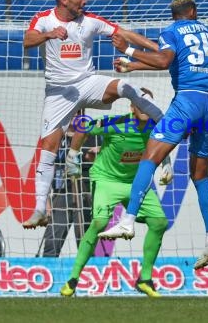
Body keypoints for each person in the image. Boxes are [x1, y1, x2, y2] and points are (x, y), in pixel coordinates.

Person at [21, 0, 164, 229]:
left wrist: (158, 50)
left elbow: (124, 33)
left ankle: (162, 120)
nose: (85, 1)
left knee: (124, 87)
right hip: (59, 92)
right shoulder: (44, 19)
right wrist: (48, 35)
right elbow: (27, 40)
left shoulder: (90, 21)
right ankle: (39, 209)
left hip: (88, 82)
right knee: (48, 147)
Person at [105, 0, 208, 270]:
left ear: (175, 14)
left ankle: (127, 221)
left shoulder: (172, 31)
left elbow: (162, 60)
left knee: (149, 159)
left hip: (187, 103)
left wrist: (130, 51)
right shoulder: (204, 31)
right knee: (200, 175)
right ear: (193, 11)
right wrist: (133, 66)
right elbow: (173, 62)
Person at [60, 90, 169, 297]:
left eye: (149, 105)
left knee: (159, 223)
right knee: (99, 223)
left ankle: (145, 279)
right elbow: (83, 127)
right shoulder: (116, 122)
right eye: (141, 105)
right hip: (107, 180)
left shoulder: (158, 125)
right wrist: (72, 157)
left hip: (136, 182)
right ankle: (73, 280)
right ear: (132, 107)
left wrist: (167, 165)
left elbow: (164, 143)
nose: (146, 110)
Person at [40, 131, 94, 257]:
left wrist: (94, 155)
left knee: (86, 243)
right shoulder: (56, 135)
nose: (74, 113)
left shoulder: (92, 135)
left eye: (76, 110)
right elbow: (45, 167)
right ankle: (47, 273)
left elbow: (98, 161)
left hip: (84, 194)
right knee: (51, 243)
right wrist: (46, 200)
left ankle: (88, 272)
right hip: (61, 194)